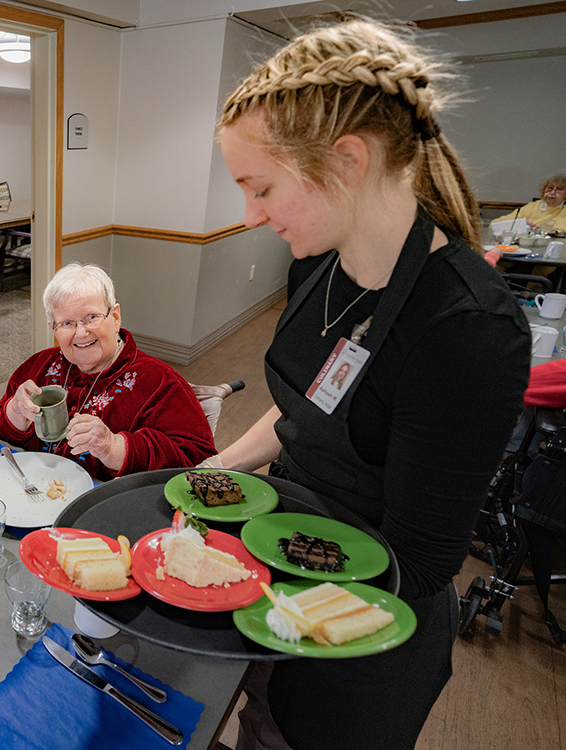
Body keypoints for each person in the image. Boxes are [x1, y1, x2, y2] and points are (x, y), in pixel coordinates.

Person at [211, 19, 530, 750]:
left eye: (260, 187)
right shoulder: (318, 264)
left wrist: (265, 558)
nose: (250, 215)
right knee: (256, 722)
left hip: (365, 628)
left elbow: (417, 564)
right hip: (284, 559)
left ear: (347, 159)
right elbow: (306, 410)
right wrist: (213, 472)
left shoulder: (466, 330)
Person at [0, 263, 216, 480]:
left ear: (115, 317)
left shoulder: (159, 382)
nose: (81, 332)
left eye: (91, 317)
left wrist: (113, 447)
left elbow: (200, 464)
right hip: (28, 493)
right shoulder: (36, 368)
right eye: (67, 323)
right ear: (53, 329)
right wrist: (14, 412)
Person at [498, 172, 566, 235]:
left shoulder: (564, 210)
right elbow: (495, 223)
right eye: (550, 188)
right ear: (544, 189)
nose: (552, 192)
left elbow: (560, 229)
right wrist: (519, 223)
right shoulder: (532, 206)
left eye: (559, 189)